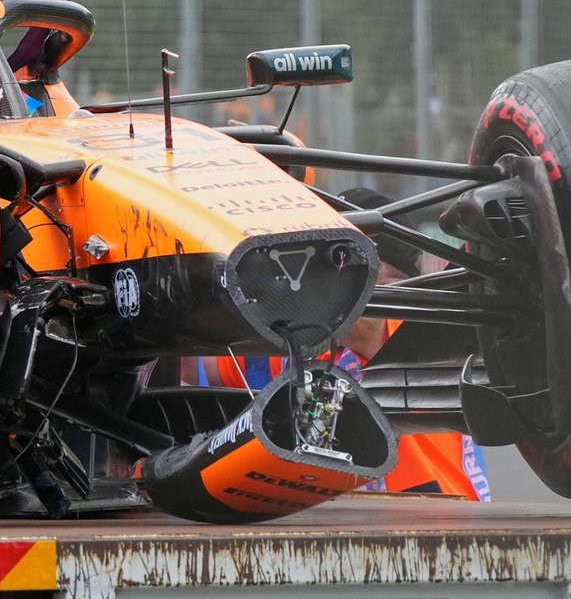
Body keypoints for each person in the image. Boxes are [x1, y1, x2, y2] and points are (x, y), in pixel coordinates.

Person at [186, 187, 491, 501]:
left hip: (434, 519)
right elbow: (200, 367)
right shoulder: (309, 338)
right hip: (387, 522)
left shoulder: (404, 325)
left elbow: (362, 324)